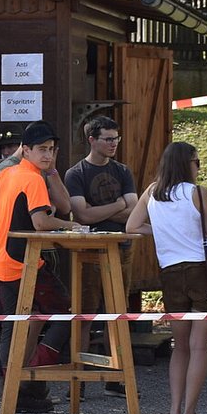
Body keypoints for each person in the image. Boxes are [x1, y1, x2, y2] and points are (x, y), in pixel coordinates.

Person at [0, 121, 89, 414]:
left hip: (2, 260)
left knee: (16, 324)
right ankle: (31, 378)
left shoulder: (10, 173)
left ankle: (19, 389)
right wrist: (72, 226)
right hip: (23, 264)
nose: (47, 155)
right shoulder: (32, 179)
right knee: (64, 313)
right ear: (26, 150)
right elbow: (41, 222)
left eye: (51, 149)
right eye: (42, 149)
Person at [126, 142, 207, 414]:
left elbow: (132, 226)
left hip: (170, 272)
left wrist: (162, 231)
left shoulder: (152, 192)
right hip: (202, 271)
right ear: (187, 164)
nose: (198, 167)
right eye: (197, 162)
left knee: (180, 347)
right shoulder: (197, 193)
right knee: (199, 347)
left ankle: (173, 412)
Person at [64, 114, 138, 395]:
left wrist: (100, 212)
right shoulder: (76, 174)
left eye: (116, 138)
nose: (113, 143)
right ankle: (79, 380)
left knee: (117, 313)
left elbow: (134, 211)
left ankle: (116, 378)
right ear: (91, 140)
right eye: (108, 139)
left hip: (121, 248)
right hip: (89, 251)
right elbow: (82, 215)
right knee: (84, 314)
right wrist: (117, 206)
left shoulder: (123, 171)